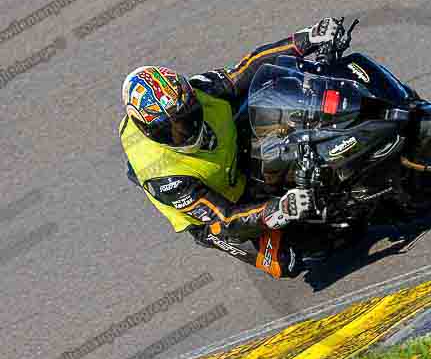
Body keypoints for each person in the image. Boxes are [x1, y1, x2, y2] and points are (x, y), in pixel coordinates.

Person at [119, 17, 342, 278]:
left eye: (187, 116)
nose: (185, 131)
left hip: (231, 155)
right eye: (171, 131)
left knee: (277, 98)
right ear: (149, 132)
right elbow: (224, 218)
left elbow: (245, 69)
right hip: (218, 214)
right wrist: (277, 209)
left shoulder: (199, 89)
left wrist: (306, 38)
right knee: (289, 260)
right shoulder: (166, 178)